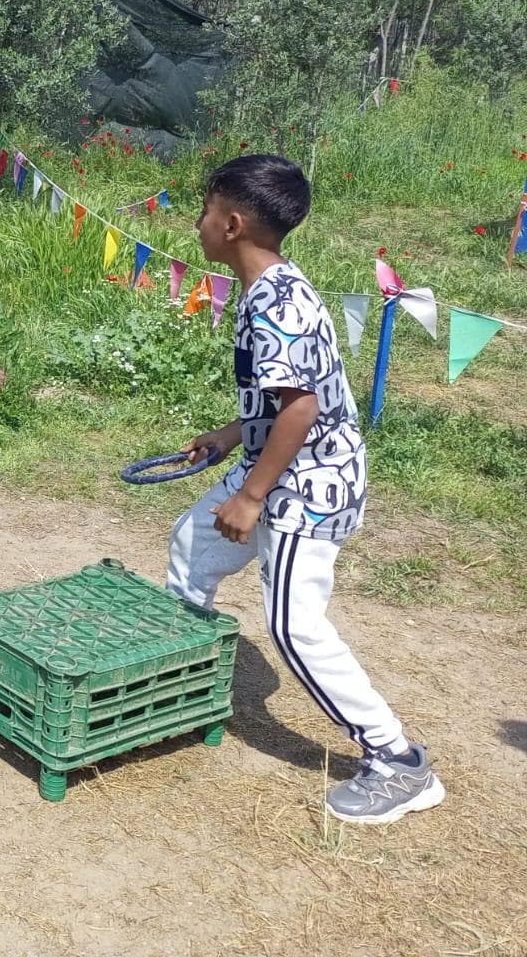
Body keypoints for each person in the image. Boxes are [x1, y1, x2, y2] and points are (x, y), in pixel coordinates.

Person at [169, 152, 443, 823]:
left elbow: (301, 410)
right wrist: (232, 436)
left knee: (292, 626)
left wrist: (252, 495)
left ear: (232, 224)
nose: (197, 222)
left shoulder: (276, 306)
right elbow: (289, 395)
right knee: (193, 546)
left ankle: (397, 761)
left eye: (205, 210)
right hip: (274, 462)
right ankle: (182, 687)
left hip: (307, 484)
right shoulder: (272, 285)